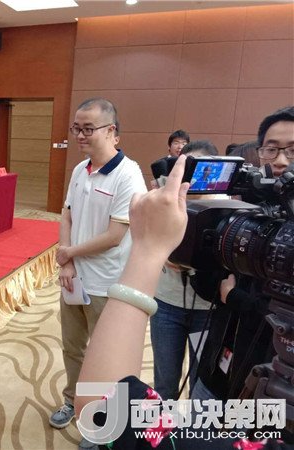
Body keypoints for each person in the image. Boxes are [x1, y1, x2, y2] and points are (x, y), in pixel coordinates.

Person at [75, 155, 290, 450]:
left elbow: (102, 410)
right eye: (272, 149)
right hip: (218, 360)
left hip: (249, 379)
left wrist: (148, 250)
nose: (281, 160)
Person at [49, 97, 147, 449]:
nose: (80, 135)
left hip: (107, 284)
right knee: (73, 347)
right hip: (74, 279)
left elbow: (114, 236)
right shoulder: (80, 169)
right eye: (76, 128)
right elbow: (67, 215)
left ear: (111, 131)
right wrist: (68, 262)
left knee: (106, 359)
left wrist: (69, 253)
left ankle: (103, 420)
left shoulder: (129, 175)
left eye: (88, 129)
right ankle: (72, 400)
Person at [192, 106, 294, 404]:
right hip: (216, 367)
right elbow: (206, 285)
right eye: (271, 149)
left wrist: (237, 298)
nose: (281, 160)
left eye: (292, 150)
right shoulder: (247, 209)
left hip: (272, 387)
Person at [149, 140, 218, 402]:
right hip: (166, 304)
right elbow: (146, 240)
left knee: (201, 386)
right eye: (186, 168)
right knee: (165, 384)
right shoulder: (166, 200)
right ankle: (162, 427)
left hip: (208, 309)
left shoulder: (225, 207)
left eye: (200, 169)